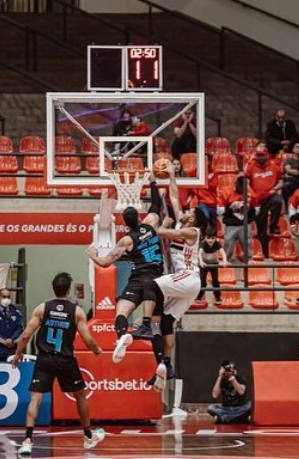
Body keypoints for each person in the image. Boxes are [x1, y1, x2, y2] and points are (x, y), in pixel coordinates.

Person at [13, 272, 105, 457]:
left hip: (45, 359)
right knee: (80, 396)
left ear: (53, 288)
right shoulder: (76, 311)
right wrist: (96, 350)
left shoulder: (42, 308)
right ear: (69, 290)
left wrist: (18, 354)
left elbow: (26, 335)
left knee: (35, 399)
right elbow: (87, 339)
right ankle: (88, 436)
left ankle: (27, 441)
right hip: (65, 360)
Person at [134, 163, 206, 391]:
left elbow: (162, 233)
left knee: (151, 285)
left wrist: (159, 225)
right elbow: (174, 197)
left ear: (193, 220)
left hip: (188, 277)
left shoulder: (191, 231)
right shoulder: (184, 222)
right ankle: (166, 364)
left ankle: (146, 324)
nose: (186, 212)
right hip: (188, 284)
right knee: (166, 322)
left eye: (190, 213)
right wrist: (172, 176)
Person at [86, 180, 164, 348]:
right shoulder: (150, 224)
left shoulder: (127, 240)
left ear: (125, 223)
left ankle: (121, 337)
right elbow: (156, 206)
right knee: (157, 324)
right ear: (139, 217)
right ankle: (144, 330)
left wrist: (93, 255)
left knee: (121, 311)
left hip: (139, 278)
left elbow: (105, 263)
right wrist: (152, 183)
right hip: (156, 277)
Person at [245, 145, 283, 257]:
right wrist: (251, 194)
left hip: (270, 195)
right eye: (258, 155)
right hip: (257, 200)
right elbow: (246, 182)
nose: (260, 157)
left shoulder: (274, 167)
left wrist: (275, 189)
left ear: (266, 155)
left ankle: (273, 226)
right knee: (261, 228)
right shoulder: (250, 167)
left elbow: (281, 181)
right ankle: (264, 254)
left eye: (262, 155)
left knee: (278, 201)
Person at [217, 175, 257, 262]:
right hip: (231, 224)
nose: (243, 189)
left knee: (247, 243)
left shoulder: (251, 193)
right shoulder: (226, 192)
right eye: (241, 187)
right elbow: (219, 210)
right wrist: (232, 209)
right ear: (236, 184)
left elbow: (256, 209)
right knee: (228, 243)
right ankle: (226, 260)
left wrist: (248, 209)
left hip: (245, 224)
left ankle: (249, 261)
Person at [0, 287, 23, 362]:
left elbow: (20, 329)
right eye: (4, 297)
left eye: (8, 297)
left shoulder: (16, 313)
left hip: (13, 352)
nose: (6, 299)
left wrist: (12, 340)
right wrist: (4, 341)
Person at [198, 228, 227, 304]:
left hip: (214, 264)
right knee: (202, 281)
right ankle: (199, 296)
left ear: (215, 238)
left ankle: (217, 297)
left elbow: (223, 253)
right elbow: (200, 253)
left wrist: (224, 261)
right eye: (208, 238)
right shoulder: (203, 244)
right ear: (205, 238)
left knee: (215, 280)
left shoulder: (217, 244)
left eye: (212, 238)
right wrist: (201, 262)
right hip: (204, 264)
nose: (210, 240)